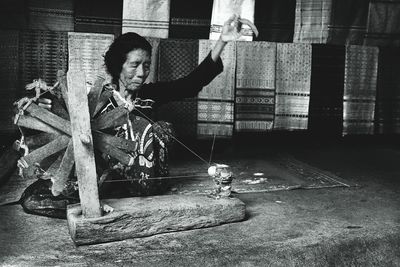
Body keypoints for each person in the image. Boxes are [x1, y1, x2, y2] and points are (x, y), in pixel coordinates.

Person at [97, 14, 257, 196]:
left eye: (147, 65)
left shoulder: (149, 95)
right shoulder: (101, 100)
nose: (142, 72)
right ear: (118, 66)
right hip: (110, 177)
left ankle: (150, 185)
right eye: (134, 65)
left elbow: (189, 85)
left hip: (148, 178)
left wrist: (222, 41)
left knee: (162, 129)